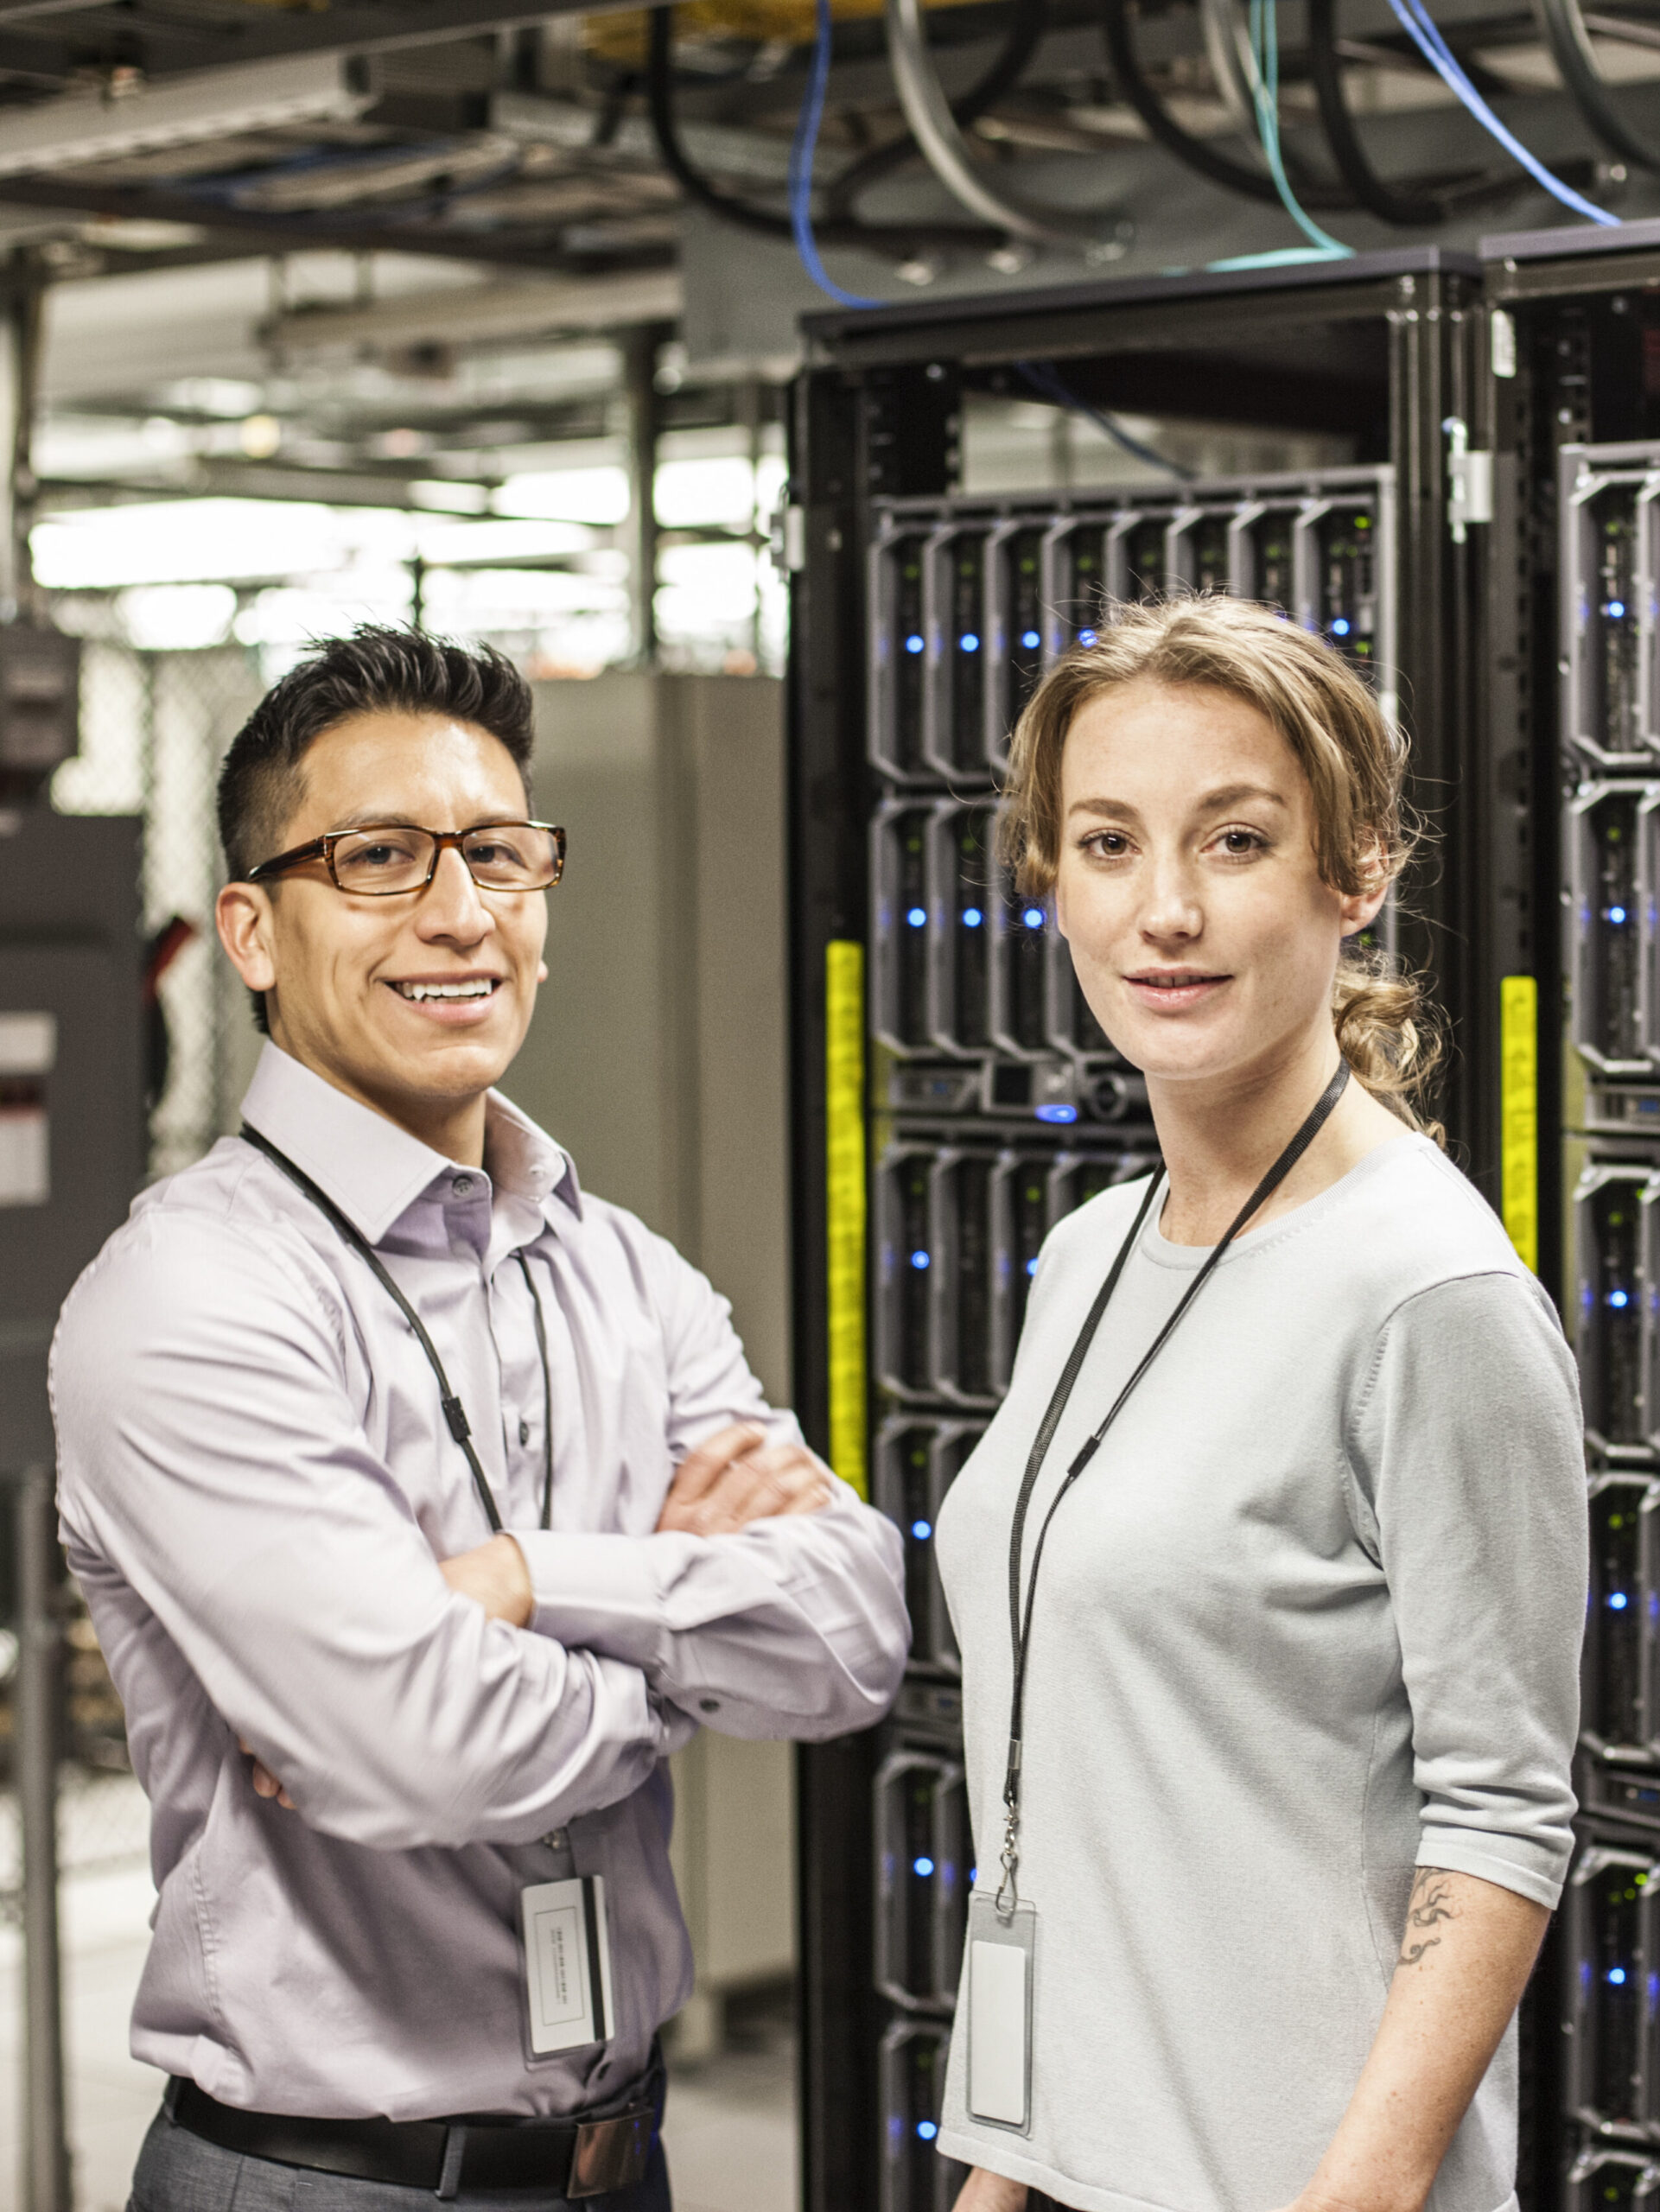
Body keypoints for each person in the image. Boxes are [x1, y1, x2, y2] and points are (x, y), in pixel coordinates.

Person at [49, 626, 908, 2212]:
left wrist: (526, 1588)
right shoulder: (190, 1298)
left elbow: (855, 1633)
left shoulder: (622, 1270)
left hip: (620, 2164)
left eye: (500, 854)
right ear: (251, 930)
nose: (460, 912)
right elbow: (421, 1750)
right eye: (378, 858)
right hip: (321, 2182)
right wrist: (692, 1659)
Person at [933, 596, 1586, 2212]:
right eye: (1107, 843)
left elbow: (1500, 1815)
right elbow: (1069, 1771)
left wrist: (1355, 2195)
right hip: (1068, 2165)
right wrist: (1000, 2165)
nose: (1163, 911)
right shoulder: (1089, 1255)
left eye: (1234, 840)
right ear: (1050, 878)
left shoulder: (1427, 1293)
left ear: (1353, 872)